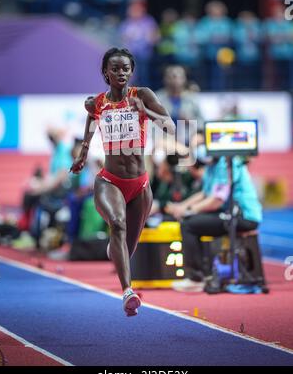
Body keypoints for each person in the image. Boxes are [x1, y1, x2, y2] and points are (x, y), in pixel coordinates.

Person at [70, 47, 175, 316]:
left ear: (131, 71)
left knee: (127, 247)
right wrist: (83, 153)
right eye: (115, 68)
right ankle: (128, 291)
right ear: (106, 72)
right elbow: (91, 120)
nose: (121, 73)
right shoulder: (98, 103)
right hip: (110, 180)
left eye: (125, 68)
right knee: (117, 223)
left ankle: (115, 249)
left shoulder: (142, 95)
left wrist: (145, 111)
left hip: (140, 185)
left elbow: (170, 127)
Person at [166, 155, 262, 292]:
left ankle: (196, 278)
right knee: (190, 221)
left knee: (189, 225)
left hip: (244, 217)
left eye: (199, 144)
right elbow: (205, 194)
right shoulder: (212, 165)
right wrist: (181, 207)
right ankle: (204, 274)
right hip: (229, 214)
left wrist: (188, 210)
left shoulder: (226, 163)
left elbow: (217, 200)